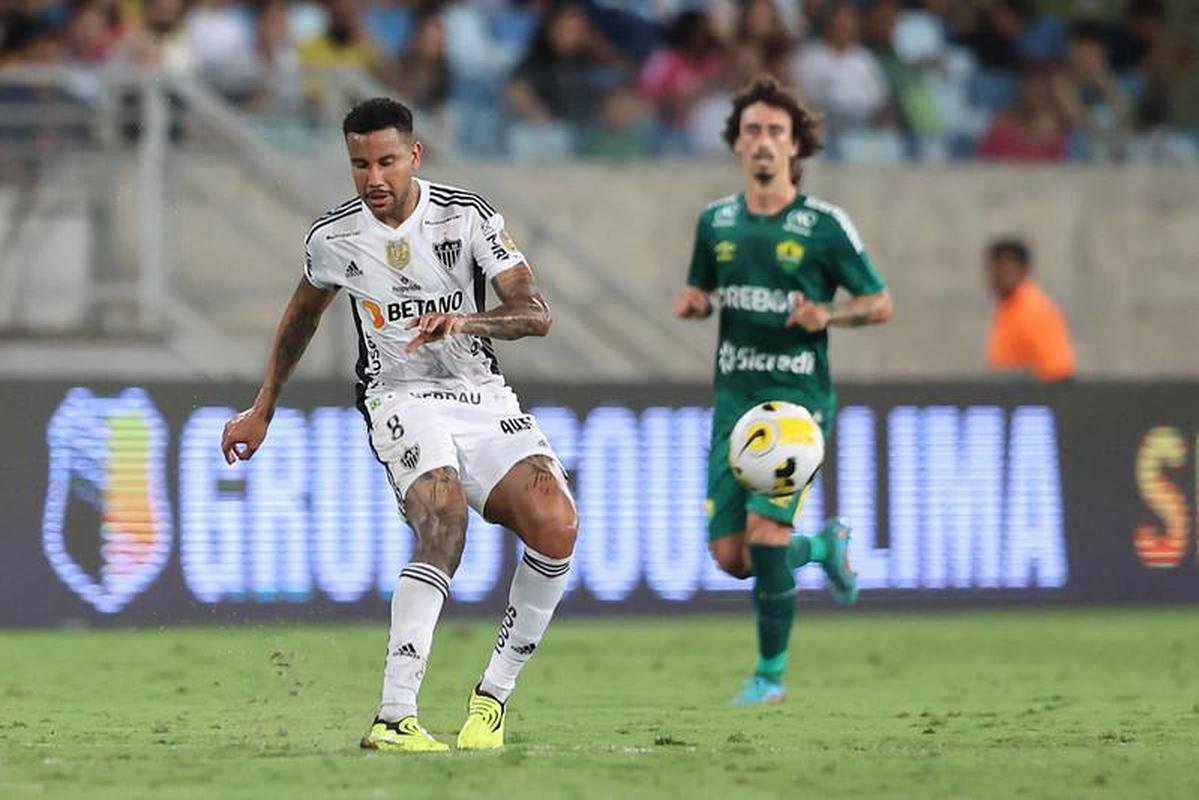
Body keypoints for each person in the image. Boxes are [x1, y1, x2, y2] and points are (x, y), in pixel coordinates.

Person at [220, 98, 578, 752]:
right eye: (359, 164)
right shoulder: (334, 238)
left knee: (556, 524)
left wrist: (466, 321)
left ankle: (491, 698)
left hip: (480, 395)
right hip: (398, 394)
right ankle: (394, 715)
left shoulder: (466, 217)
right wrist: (263, 406)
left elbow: (535, 312)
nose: (373, 177)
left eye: (386, 160)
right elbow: (302, 315)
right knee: (443, 518)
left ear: (415, 155)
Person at [673, 76, 893, 705]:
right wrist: (694, 304)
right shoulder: (714, 222)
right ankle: (823, 545)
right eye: (752, 131)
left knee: (766, 539)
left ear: (795, 146)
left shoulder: (824, 226)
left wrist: (832, 316)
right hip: (735, 407)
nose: (763, 142)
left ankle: (769, 676)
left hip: (798, 406)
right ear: (736, 144)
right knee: (732, 558)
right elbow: (702, 293)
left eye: (776, 131)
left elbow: (880, 303)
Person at [984, 237, 1075, 382]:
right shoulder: (1007, 308)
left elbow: (1058, 371)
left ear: (1023, 270)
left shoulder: (1034, 309)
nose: (997, 275)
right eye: (994, 268)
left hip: (1033, 399)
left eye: (1004, 269)